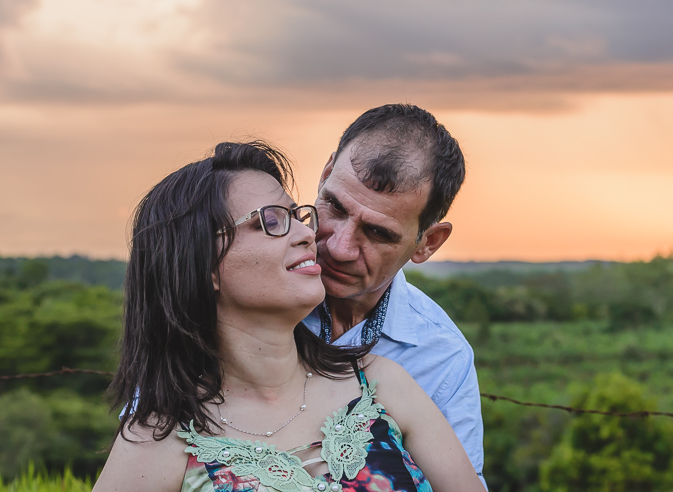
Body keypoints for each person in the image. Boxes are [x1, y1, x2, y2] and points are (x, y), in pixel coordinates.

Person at [95, 141, 484, 492]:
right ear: (202, 265)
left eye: (296, 216)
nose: (307, 235)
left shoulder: (381, 383)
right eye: (272, 220)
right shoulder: (162, 436)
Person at [303, 104, 483, 479]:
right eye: (334, 206)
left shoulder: (441, 357)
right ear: (324, 174)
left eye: (377, 233)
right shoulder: (240, 297)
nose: (339, 247)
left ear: (427, 243)